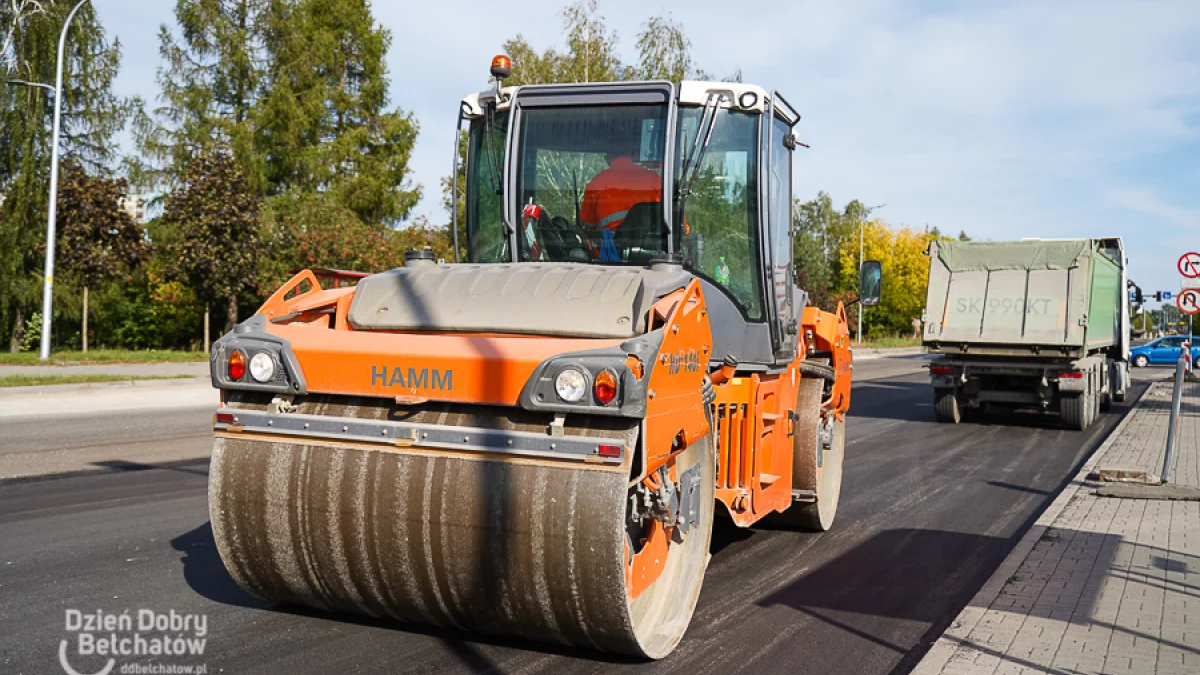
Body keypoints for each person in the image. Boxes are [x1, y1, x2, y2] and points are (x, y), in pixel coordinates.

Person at [580, 148, 662, 262]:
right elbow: (679, 224)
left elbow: (587, 223)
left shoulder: (597, 182)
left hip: (611, 254)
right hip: (654, 255)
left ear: (607, 159)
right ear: (633, 156)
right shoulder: (656, 180)